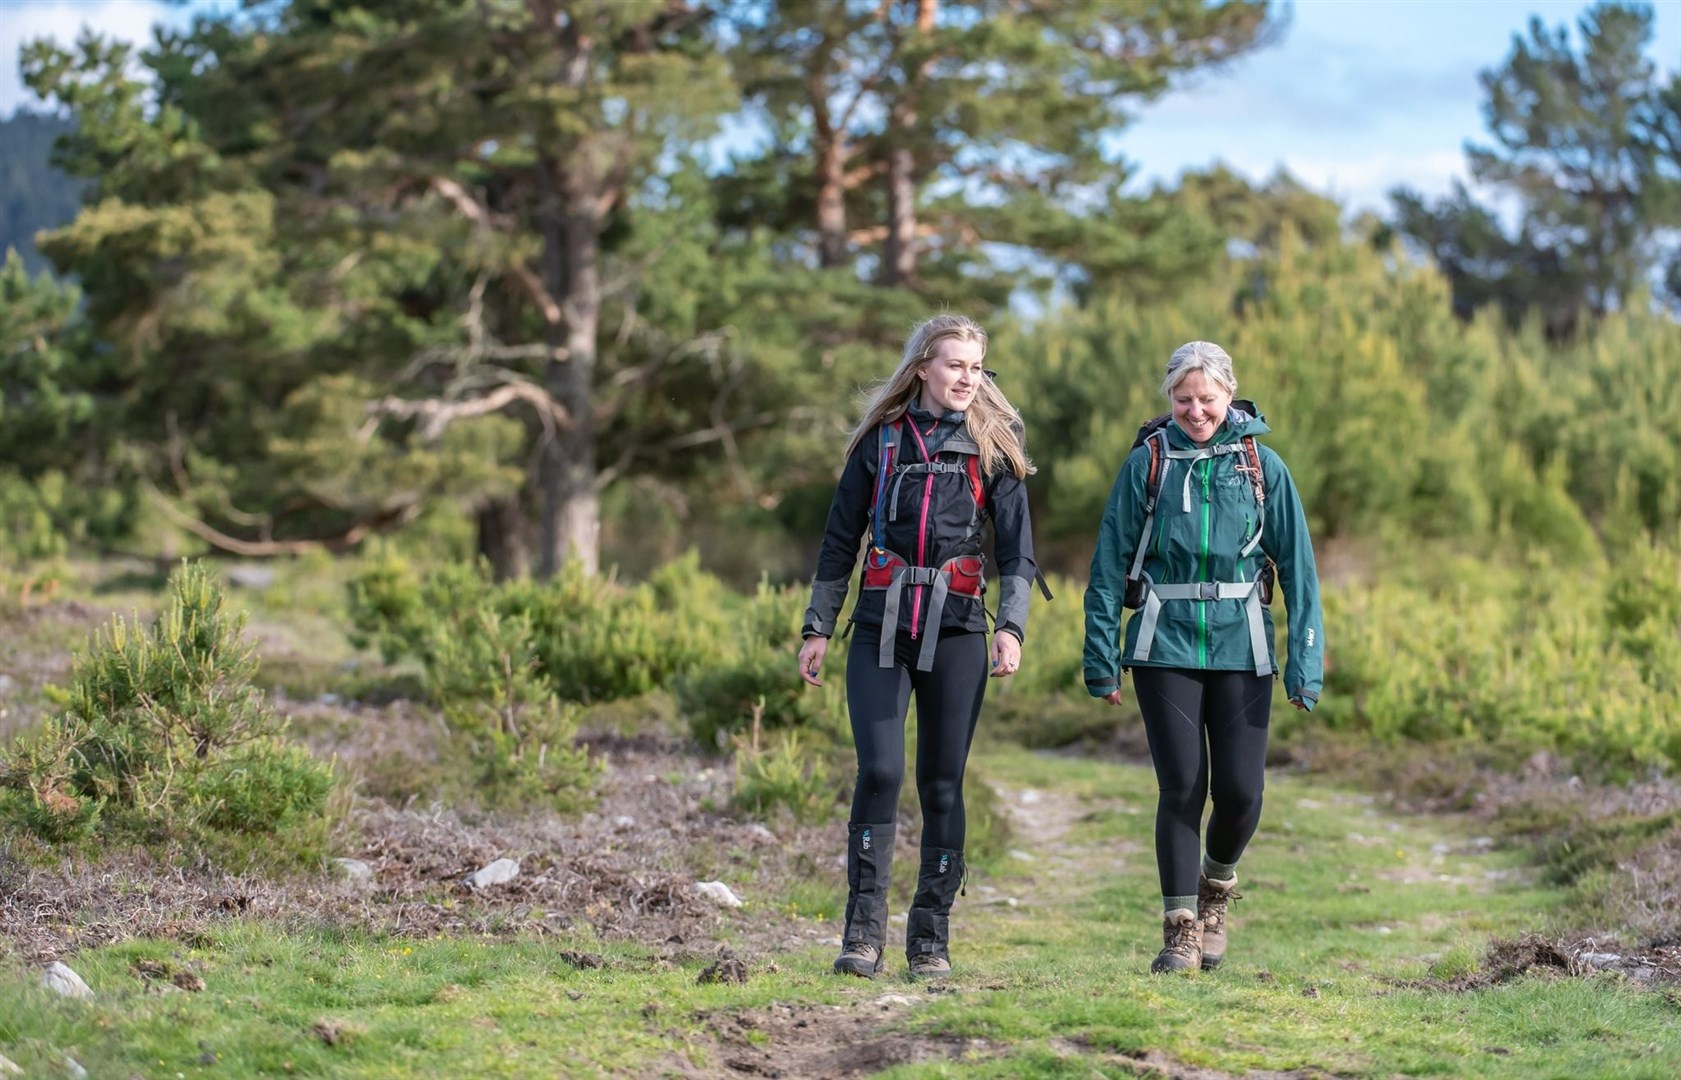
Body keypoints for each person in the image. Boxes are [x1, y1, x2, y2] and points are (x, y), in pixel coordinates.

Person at [799, 313, 1041, 980]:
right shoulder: (878, 442)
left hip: (961, 629)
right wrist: (818, 626)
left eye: (975, 367)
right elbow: (838, 540)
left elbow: (1017, 553)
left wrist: (1011, 629)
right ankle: (861, 936)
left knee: (941, 783)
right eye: (954, 364)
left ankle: (929, 940)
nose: (967, 377)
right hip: (879, 624)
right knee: (877, 771)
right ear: (922, 368)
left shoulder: (994, 448)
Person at [1082, 340, 1323, 975]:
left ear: (1229, 395)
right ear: (1169, 399)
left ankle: (1216, 888)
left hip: (1242, 641)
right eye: (1183, 400)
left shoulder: (1262, 466)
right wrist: (1100, 655)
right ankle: (1180, 929)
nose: (1195, 411)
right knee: (1183, 786)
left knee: (1242, 792)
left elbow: (1300, 571)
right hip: (1164, 641)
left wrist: (1305, 661)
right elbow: (1108, 565)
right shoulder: (1146, 465)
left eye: (1207, 399)